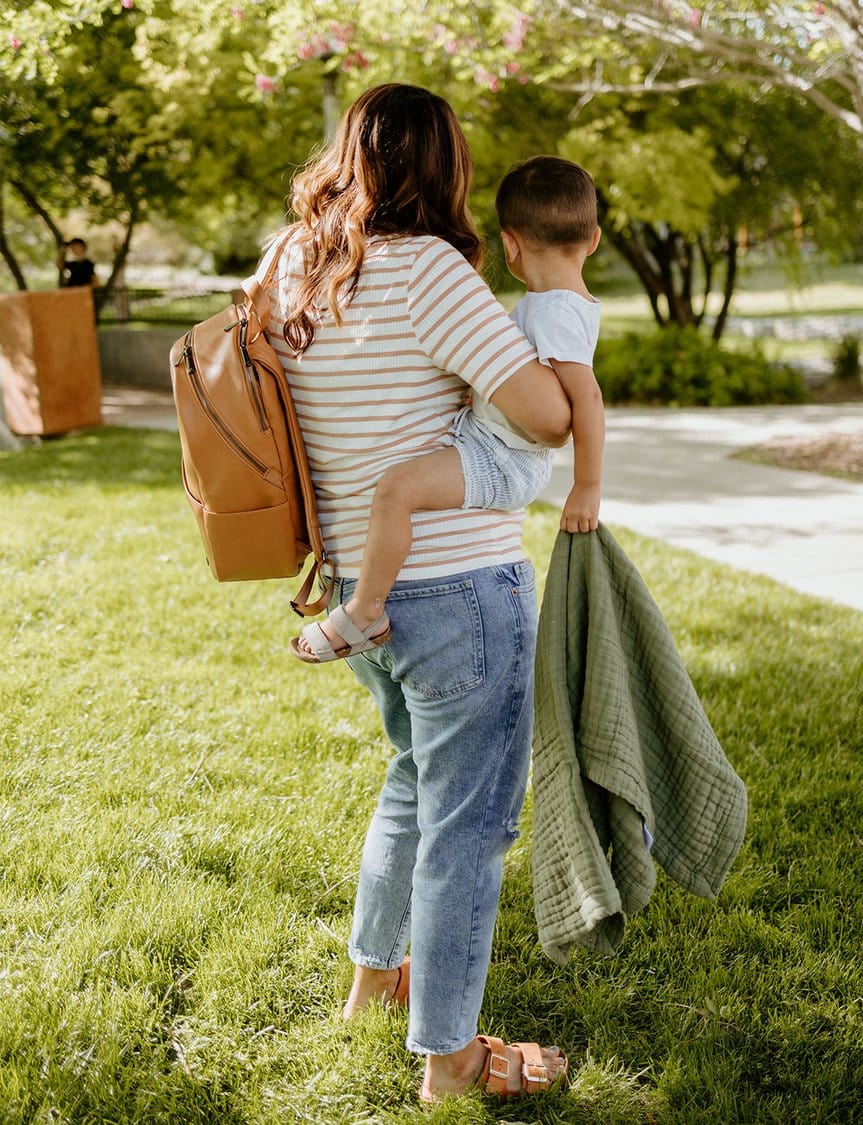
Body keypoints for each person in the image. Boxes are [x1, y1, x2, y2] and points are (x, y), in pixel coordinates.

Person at [261, 83, 571, 1102]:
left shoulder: (287, 267)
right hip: (459, 587)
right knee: (469, 828)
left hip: (366, 587)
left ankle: (371, 990)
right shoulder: (429, 269)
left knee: (412, 784)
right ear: (445, 166)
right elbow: (543, 415)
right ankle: (449, 1061)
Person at [292, 154, 604, 664]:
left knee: (398, 488)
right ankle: (364, 608)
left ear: (510, 244)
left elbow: (583, 400)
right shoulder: (561, 305)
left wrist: (587, 486)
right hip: (494, 445)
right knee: (398, 488)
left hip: (502, 459)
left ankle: (364, 611)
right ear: (593, 241)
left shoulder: (553, 311)